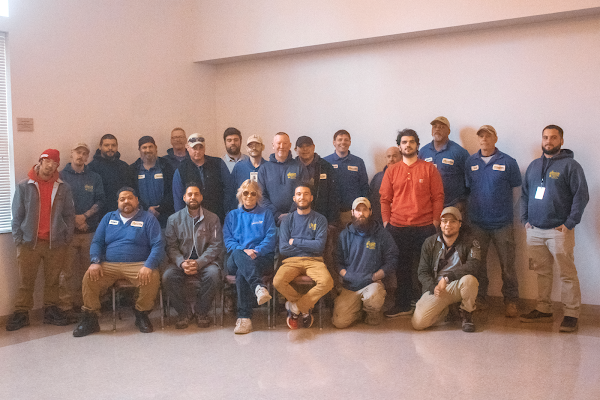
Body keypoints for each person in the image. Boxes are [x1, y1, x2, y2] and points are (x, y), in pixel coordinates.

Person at [520, 125, 589, 332]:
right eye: (545, 137)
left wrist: (570, 223)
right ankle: (543, 308)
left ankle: (571, 314)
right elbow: (525, 194)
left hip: (559, 230)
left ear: (561, 141)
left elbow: (581, 196)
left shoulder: (571, 166)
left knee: (567, 274)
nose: (548, 141)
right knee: (542, 272)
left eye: (553, 137)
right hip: (535, 230)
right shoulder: (534, 166)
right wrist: (525, 219)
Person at [73, 187, 164, 337]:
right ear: (118, 202)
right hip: (109, 265)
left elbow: (158, 245)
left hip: (138, 265)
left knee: (152, 277)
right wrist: (95, 261)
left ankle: (141, 313)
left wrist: (149, 265)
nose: (126, 201)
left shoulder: (148, 218)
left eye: (130, 198)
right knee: (89, 277)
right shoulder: (108, 217)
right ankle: (91, 318)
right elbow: (97, 242)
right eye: (122, 199)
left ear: (137, 200)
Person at [6, 149, 75, 331]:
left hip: (55, 243)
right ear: (41, 161)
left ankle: (50, 311)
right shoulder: (24, 186)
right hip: (29, 243)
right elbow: (17, 215)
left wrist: (67, 237)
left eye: (54, 163)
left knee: (53, 280)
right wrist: (18, 238)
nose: (50, 166)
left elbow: (69, 215)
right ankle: (21, 313)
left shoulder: (63, 187)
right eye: (48, 161)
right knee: (25, 281)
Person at [380, 129, 444, 318]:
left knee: (427, 268)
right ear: (399, 146)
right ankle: (403, 304)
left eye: (411, 142)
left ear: (417, 145)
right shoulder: (392, 170)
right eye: (404, 142)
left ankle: (429, 305)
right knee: (402, 268)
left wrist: (435, 221)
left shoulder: (429, 169)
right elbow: (385, 199)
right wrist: (386, 222)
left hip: (425, 227)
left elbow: (438, 197)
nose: (408, 145)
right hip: (398, 227)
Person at [465, 125, 522, 316]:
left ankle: (511, 301)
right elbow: (468, 189)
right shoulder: (470, 162)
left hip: (502, 223)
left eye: (488, 136)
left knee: (508, 265)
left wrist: (503, 209)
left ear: (495, 139)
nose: (484, 139)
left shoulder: (508, 162)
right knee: (478, 264)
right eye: (481, 136)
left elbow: (516, 191)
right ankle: (481, 298)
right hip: (477, 223)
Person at [163, 183, 223, 329]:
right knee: (167, 277)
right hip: (181, 263)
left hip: (206, 263)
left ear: (201, 197)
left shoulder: (213, 218)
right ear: (184, 198)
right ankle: (184, 312)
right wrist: (181, 262)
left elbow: (216, 245)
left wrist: (199, 263)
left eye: (196, 194)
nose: (193, 197)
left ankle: (201, 312)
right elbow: (171, 246)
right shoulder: (173, 219)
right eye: (190, 194)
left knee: (214, 275)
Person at [273, 184, 333, 329]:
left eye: (306, 194)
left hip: (315, 261)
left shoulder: (320, 219)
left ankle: (295, 308)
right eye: (299, 194)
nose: (302, 197)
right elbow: (284, 248)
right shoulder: (287, 220)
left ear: (311, 197)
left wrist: (295, 241)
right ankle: (305, 309)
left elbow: (319, 246)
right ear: (294, 198)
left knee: (327, 282)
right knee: (278, 281)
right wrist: (309, 244)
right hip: (291, 261)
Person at [332, 197, 398, 328]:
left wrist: (377, 276)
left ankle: (372, 313)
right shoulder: (344, 235)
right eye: (358, 210)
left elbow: (393, 258)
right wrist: (346, 275)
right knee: (339, 322)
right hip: (350, 286)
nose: (361, 213)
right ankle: (359, 311)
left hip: (371, 284)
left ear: (370, 212)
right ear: (352, 212)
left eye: (365, 210)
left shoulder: (381, 234)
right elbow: (337, 260)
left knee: (374, 298)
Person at [412, 207, 480, 332]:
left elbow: (474, 266)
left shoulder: (471, 241)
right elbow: (422, 272)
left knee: (470, 280)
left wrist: (447, 278)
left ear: (460, 224)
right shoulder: (430, 242)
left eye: (453, 221)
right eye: (444, 221)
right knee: (418, 323)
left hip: (457, 285)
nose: (448, 224)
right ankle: (448, 311)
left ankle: (467, 314)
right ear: (440, 224)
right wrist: (433, 287)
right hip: (437, 288)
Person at [58, 143, 105, 320]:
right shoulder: (60, 176)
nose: (81, 156)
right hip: (67, 234)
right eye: (78, 152)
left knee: (90, 271)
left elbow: (100, 201)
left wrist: (84, 217)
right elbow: (58, 204)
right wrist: (74, 220)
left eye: (85, 153)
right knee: (66, 273)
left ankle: (89, 306)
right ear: (71, 153)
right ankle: (66, 307)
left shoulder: (94, 177)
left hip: (90, 232)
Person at [223, 180, 277, 334]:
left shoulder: (266, 214)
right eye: (246, 193)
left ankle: (244, 318)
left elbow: (270, 238)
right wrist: (244, 251)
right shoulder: (232, 215)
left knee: (242, 273)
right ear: (240, 194)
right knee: (238, 255)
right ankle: (258, 287)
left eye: (253, 193)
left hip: (261, 258)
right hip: (236, 257)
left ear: (258, 195)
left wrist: (256, 251)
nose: (249, 196)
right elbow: (228, 240)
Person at [172, 133, 231, 223]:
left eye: (201, 147)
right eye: (194, 148)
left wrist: (228, 212)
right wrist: (182, 221)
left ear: (204, 148)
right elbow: (178, 198)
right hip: (193, 221)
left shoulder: (218, 163)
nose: (198, 151)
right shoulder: (181, 169)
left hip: (218, 217)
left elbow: (229, 189)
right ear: (188, 148)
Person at [257, 132, 309, 226]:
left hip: (296, 220)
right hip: (271, 220)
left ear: (290, 145)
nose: (282, 146)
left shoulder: (300, 167)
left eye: (285, 143)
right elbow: (261, 196)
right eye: (278, 143)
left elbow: (304, 194)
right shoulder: (264, 169)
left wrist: (290, 214)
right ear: (273, 145)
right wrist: (276, 214)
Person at [418, 117, 470, 209]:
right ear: (432, 131)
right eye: (435, 126)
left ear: (448, 131)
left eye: (442, 127)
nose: (437, 129)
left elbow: (470, 179)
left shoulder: (459, 152)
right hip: (429, 206)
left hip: (452, 205)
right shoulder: (423, 152)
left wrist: (463, 202)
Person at [323, 130, 369, 226]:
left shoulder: (358, 162)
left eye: (346, 140)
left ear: (350, 142)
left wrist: (361, 210)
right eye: (340, 139)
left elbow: (364, 187)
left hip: (352, 213)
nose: (343, 142)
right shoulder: (325, 162)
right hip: (331, 213)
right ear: (334, 142)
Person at [130, 135, 175, 228]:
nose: (148, 150)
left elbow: (172, 191)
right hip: (141, 217)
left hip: (165, 217)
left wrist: (159, 209)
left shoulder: (166, 166)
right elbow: (132, 193)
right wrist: (147, 209)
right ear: (139, 150)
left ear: (155, 148)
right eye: (144, 147)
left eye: (150, 146)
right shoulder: (132, 169)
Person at [294, 136, 339, 224]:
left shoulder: (325, 167)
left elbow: (334, 195)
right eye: (301, 146)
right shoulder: (291, 167)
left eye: (308, 146)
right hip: (296, 220)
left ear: (313, 147)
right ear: (296, 149)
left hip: (322, 219)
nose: (305, 149)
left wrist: (332, 222)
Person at [88, 134, 132, 216]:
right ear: (100, 147)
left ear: (117, 147)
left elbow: (130, 190)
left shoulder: (124, 167)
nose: (110, 148)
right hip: (98, 215)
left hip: (121, 213)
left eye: (113, 145)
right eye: (106, 145)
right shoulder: (91, 167)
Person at [229, 134, 267, 210]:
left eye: (257, 145)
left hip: (263, 212)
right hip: (243, 212)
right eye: (251, 146)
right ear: (247, 149)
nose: (254, 148)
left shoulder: (269, 167)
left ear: (263, 147)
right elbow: (231, 192)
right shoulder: (239, 167)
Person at [369, 147, 401, 223]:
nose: (391, 159)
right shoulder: (378, 177)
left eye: (394, 156)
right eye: (389, 156)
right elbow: (371, 199)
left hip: (400, 221)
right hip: (379, 221)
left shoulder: (407, 177)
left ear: (401, 157)